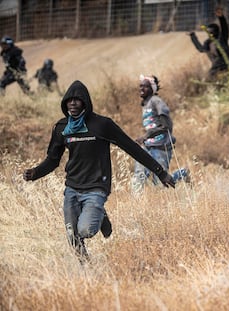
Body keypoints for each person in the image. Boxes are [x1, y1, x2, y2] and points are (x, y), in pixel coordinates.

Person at [23, 80, 175, 263]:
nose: (72, 103)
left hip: (96, 187)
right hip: (72, 187)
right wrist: (35, 172)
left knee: (85, 230)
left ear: (85, 102)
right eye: (69, 100)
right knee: (73, 236)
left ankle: (100, 214)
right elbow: (53, 160)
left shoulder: (102, 125)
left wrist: (160, 172)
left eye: (77, 100)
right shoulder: (62, 128)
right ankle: (87, 269)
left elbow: (131, 148)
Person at [132, 74, 189, 192]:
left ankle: (182, 173)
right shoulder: (145, 104)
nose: (141, 89)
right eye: (140, 86)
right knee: (140, 176)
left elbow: (166, 126)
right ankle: (135, 205)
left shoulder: (156, 101)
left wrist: (146, 136)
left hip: (161, 148)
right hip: (148, 146)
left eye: (145, 87)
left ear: (152, 89)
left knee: (159, 183)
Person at [189, 7, 229, 81]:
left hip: (226, 65)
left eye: (211, 32)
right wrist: (193, 36)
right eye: (208, 32)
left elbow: (225, 29)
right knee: (211, 78)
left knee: (211, 76)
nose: (210, 34)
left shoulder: (222, 39)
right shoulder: (208, 43)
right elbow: (201, 49)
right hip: (216, 67)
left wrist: (221, 17)